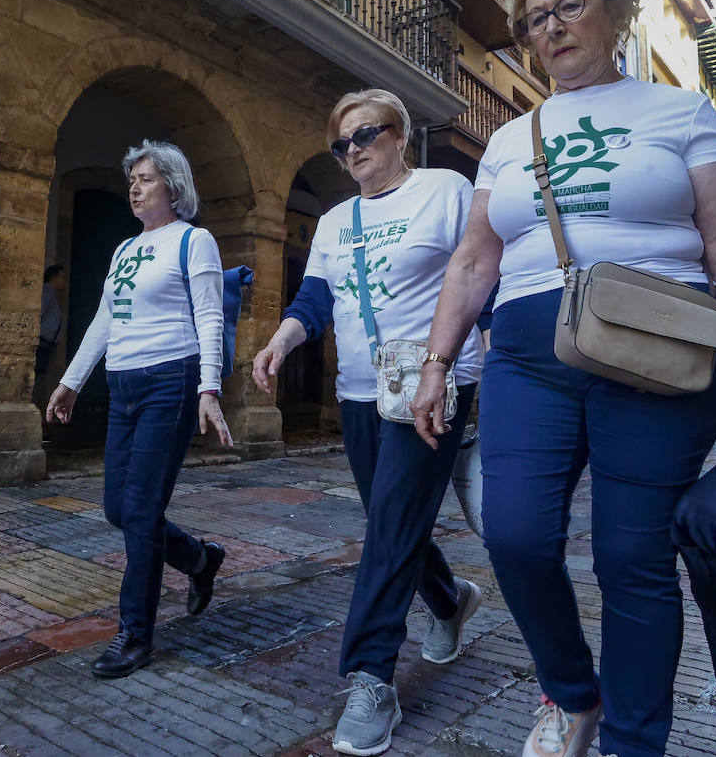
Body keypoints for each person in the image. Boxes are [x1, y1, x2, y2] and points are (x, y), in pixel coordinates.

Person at [407, 0, 716, 757]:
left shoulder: (682, 114)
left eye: (569, 6)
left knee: (632, 560)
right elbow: (476, 258)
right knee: (515, 534)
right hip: (528, 357)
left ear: (615, 10)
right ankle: (570, 691)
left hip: (658, 358)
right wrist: (434, 364)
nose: (551, 29)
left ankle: (636, 742)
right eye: (534, 20)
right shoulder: (512, 135)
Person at [252, 88, 485, 757]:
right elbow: (314, 298)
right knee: (391, 518)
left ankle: (370, 675)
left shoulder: (444, 191)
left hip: (431, 382)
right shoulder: (333, 220)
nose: (352, 150)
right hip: (360, 391)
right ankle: (447, 598)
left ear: (399, 134)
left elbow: (479, 275)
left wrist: (487, 361)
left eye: (366, 135)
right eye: (340, 143)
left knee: (388, 525)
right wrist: (281, 340)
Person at [46, 140, 232, 679]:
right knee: (118, 509)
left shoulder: (194, 242)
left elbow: (209, 318)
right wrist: (71, 381)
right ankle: (200, 559)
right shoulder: (125, 250)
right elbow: (106, 319)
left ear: (172, 186)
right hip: (123, 385)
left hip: (169, 381)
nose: (134, 186)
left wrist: (208, 389)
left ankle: (135, 634)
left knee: (142, 513)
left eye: (146, 178)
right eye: (132, 178)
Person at [33, 264, 66, 407]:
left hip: (47, 343)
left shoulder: (50, 294)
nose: (63, 282)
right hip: (42, 342)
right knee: (38, 378)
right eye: (61, 277)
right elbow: (39, 314)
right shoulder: (46, 294)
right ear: (54, 278)